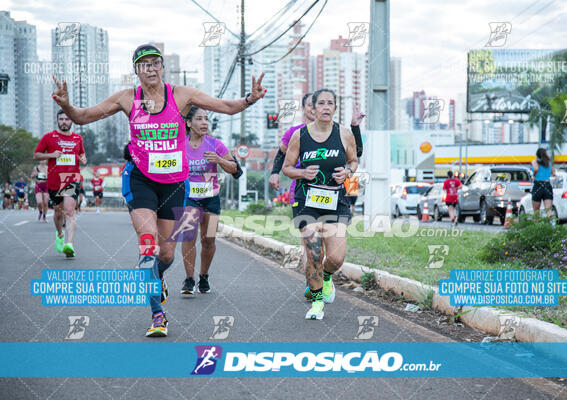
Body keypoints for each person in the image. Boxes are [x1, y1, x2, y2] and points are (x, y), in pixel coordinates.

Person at [51, 43, 265, 337]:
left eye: (155, 63)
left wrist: (250, 99)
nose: (150, 68)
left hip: (175, 184)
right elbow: (83, 117)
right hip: (140, 180)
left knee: (166, 255)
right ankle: (158, 315)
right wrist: (66, 106)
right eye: (144, 64)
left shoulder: (182, 95)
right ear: (136, 70)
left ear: (162, 67)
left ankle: (157, 279)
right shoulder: (128, 98)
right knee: (149, 249)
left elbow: (226, 106)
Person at [282, 89, 358, 320]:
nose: (326, 107)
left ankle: (326, 278)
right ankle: (316, 303)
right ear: (312, 108)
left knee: (335, 258)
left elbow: (354, 161)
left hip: (337, 200)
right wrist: (302, 172)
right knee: (314, 250)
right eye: (321, 103)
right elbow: (287, 167)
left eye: (331, 103)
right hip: (307, 201)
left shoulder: (344, 134)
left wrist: (347, 172)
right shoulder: (300, 136)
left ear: (335, 108)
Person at [179, 107, 238, 295]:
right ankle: (189, 279)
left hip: (211, 199)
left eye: (206, 119)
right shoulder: (179, 145)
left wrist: (219, 160)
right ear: (188, 123)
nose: (204, 122)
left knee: (208, 239)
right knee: (189, 236)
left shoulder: (216, 145)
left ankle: (204, 277)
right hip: (188, 198)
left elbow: (234, 169)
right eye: (199, 119)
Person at [270, 95, 364, 206]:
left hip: (334, 187)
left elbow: (357, 153)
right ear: (303, 108)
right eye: (310, 105)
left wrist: (355, 127)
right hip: (303, 188)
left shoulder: (339, 132)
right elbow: (282, 152)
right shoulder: (294, 132)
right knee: (305, 221)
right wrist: (275, 173)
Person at [34, 110, 86, 257]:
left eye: (67, 119)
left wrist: (83, 159)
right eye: (61, 119)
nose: (64, 122)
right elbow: (36, 155)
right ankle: (59, 234)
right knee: (58, 212)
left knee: (69, 211)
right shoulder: (49, 137)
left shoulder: (77, 138)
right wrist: (51, 155)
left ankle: (69, 244)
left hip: (71, 177)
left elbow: (82, 154)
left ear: (72, 121)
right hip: (54, 179)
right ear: (57, 121)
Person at [531, 148, 556, 221]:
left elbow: (535, 169)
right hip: (547, 185)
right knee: (549, 210)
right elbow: (553, 173)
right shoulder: (548, 163)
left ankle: (536, 229)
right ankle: (552, 227)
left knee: (536, 211)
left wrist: (534, 175)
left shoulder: (534, 162)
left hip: (538, 185)